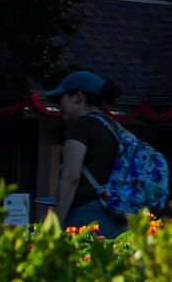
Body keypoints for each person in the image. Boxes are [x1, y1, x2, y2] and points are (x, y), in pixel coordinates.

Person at [48, 71, 128, 236]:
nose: (58, 106)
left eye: (60, 98)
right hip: (117, 220)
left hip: (87, 220)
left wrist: (55, 224)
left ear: (78, 96)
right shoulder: (114, 128)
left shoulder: (81, 127)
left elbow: (71, 177)